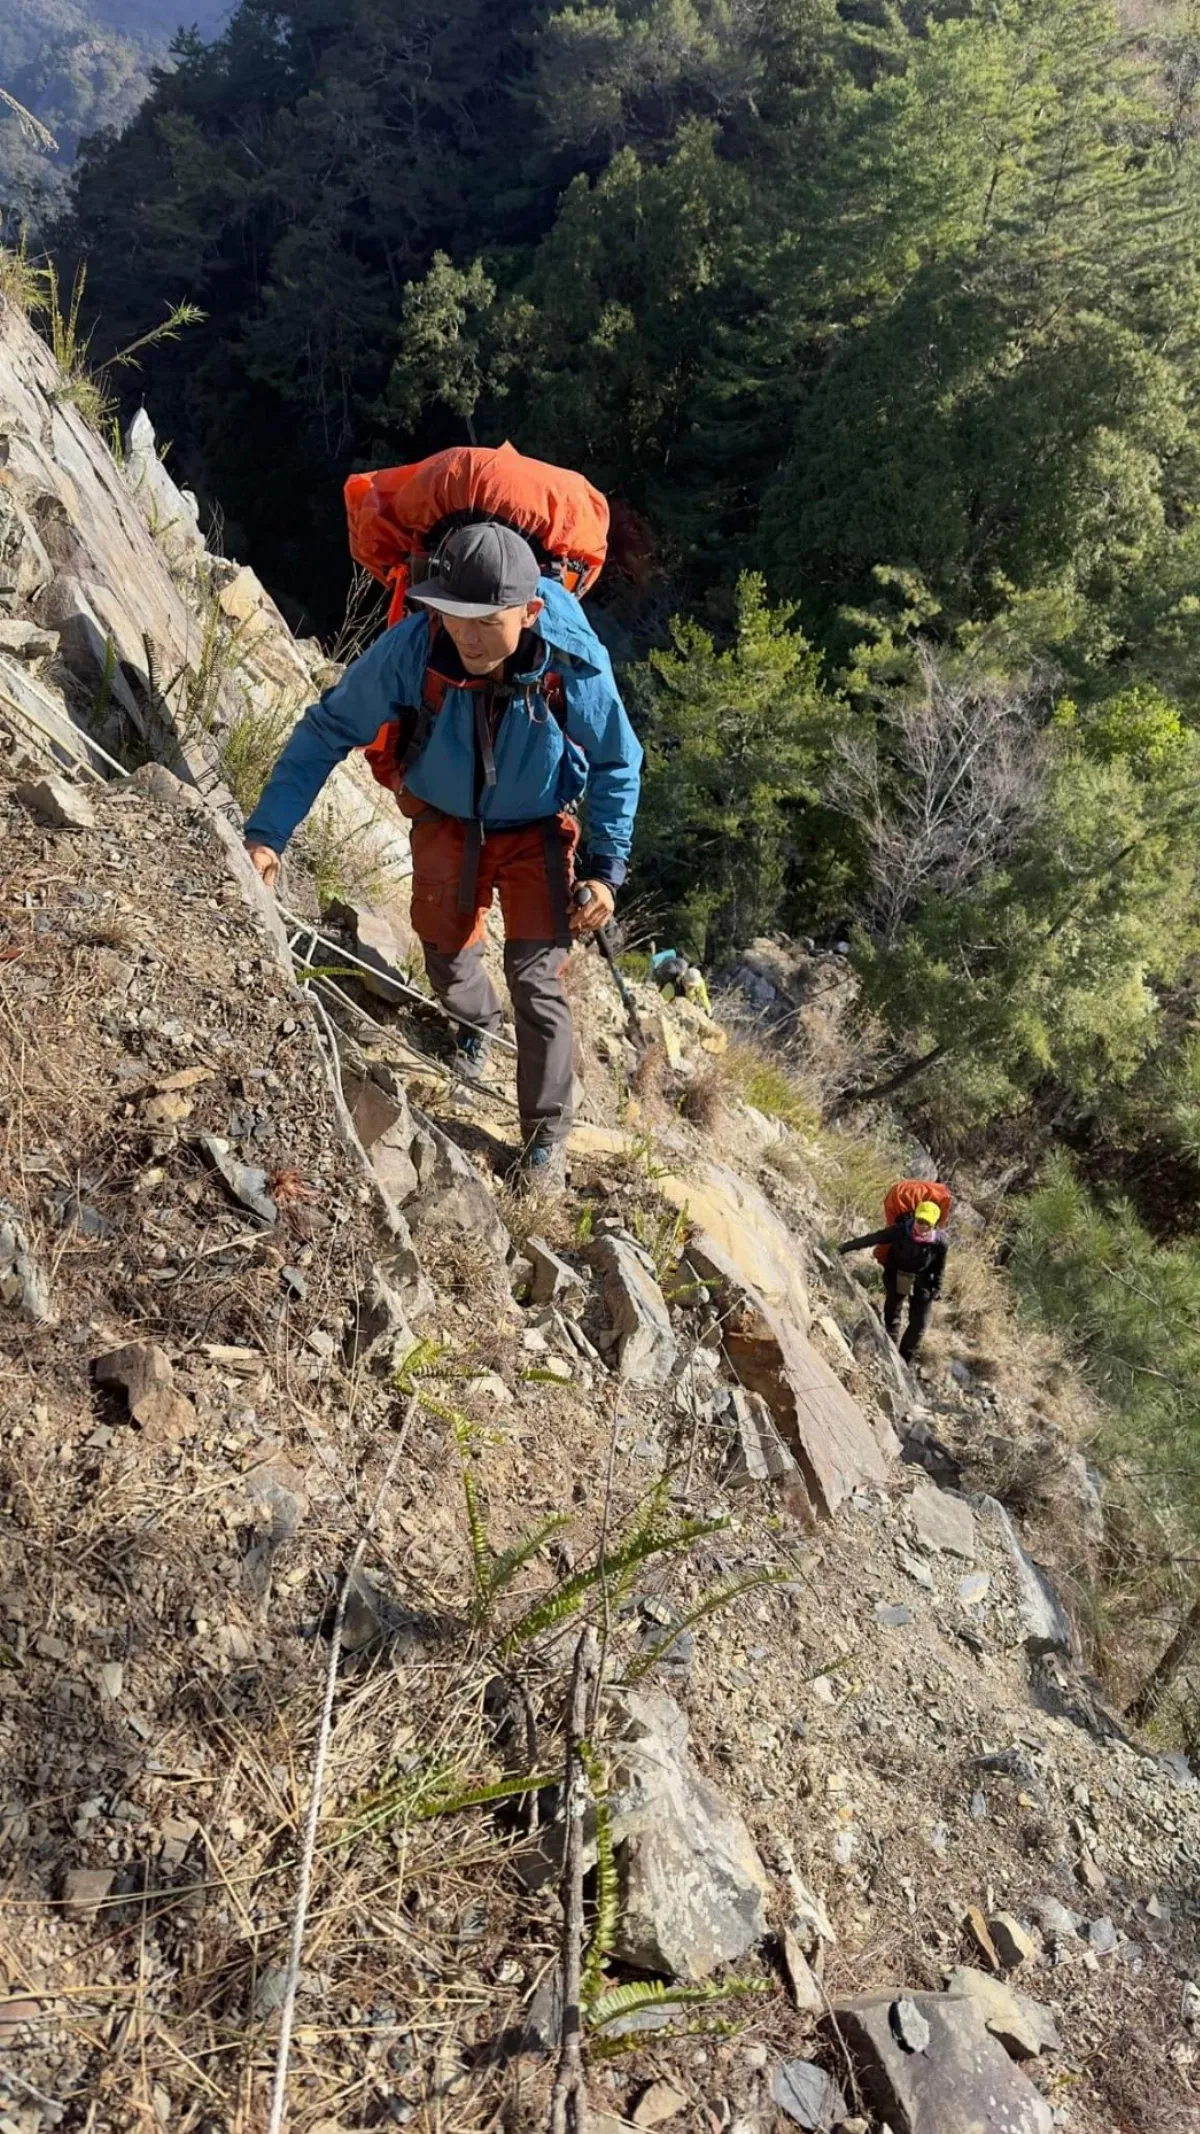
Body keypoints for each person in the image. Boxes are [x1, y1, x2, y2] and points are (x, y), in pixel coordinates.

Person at [244, 522, 642, 1191]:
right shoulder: (413, 650)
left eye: (489, 621)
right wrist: (267, 835)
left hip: (538, 825)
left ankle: (546, 1141)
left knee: (537, 977)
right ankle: (474, 1023)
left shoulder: (571, 665)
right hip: (444, 819)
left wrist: (605, 868)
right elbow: (328, 729)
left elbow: (616, 760)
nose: (471, 637)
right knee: (445, 950)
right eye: (457, 618)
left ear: (531, 610)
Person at [838, 1198, 948, 1362]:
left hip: (922, 1281)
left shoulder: (940, 1242)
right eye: (920, 1220)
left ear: (934, 1225)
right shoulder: (900, 1231)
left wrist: (937, 1287)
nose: (922, 1226)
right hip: (898, 1274)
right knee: (893, 1310)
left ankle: (904, 1361)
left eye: (927, 1223)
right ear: (915, 1217)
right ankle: (890, 1347)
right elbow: (872, 1239)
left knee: (919, 1324)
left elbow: (939, 1267)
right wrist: (843, 1248)